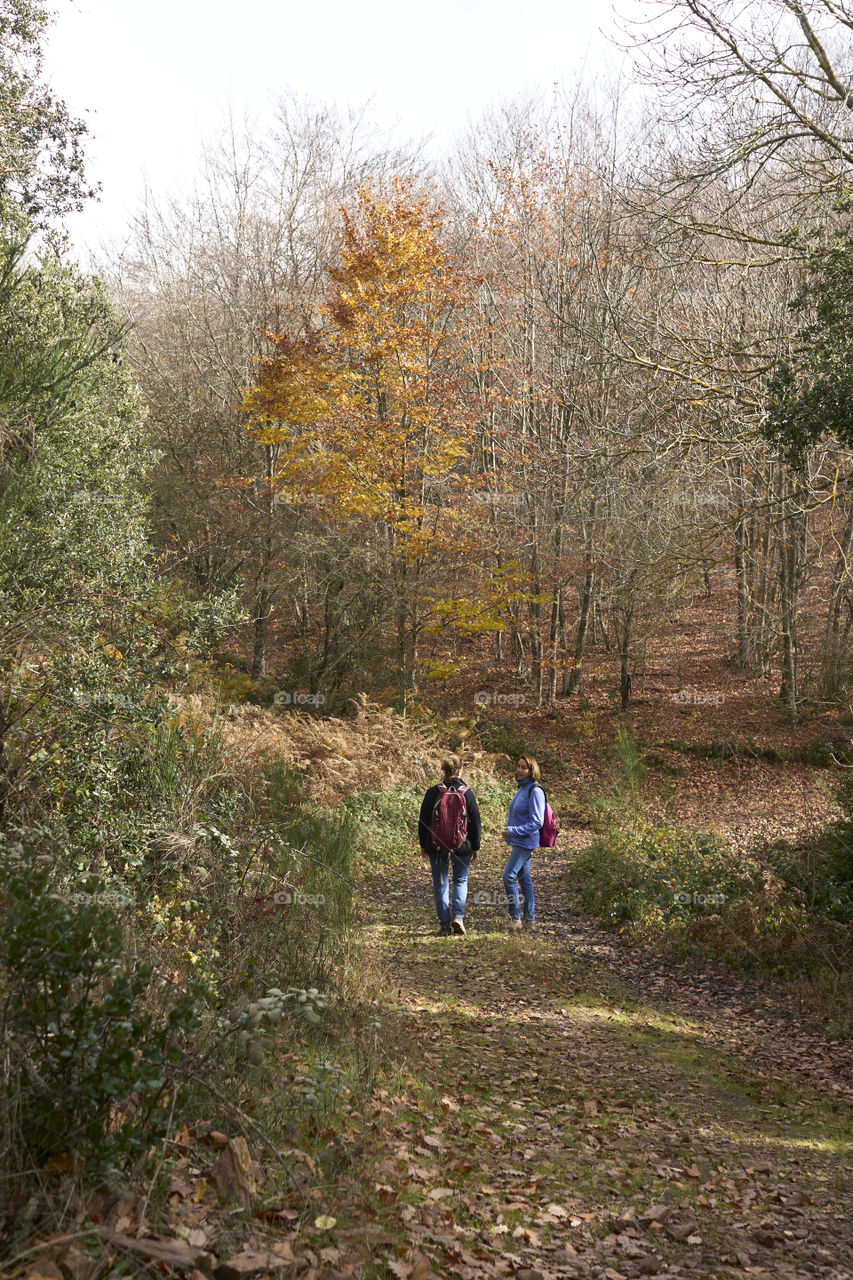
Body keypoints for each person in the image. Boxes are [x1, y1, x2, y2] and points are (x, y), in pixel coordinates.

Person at [418, 754, 482, 935]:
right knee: (460, 880)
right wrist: (475, 846)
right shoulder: (467, 793)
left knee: (440, 883)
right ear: (460, 770)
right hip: (462, 844)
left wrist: (424, 844)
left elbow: (423, 820)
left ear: (444, 770)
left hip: (436, 844)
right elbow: (475, 822)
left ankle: (445, 925)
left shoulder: (433, 792)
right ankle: (458, 918)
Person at [502, 754, 544, 931]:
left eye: (524, 767)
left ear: (531, 770)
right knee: (524, 879)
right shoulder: (521, 789)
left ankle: (515, 919)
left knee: (508, 876)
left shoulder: (534, 791)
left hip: (525, 841)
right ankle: (530, 920)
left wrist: (512, 831)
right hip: (519, 840)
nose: (519, 770)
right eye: (518, 766)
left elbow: (537, 822)